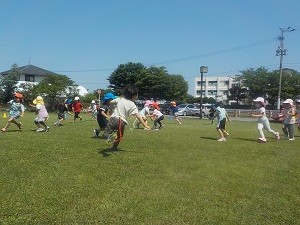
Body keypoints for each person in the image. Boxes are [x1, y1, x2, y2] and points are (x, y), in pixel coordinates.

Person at [102, 84, 151, 150]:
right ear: (134, 96)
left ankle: (110, 136)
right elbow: (138, 116)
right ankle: (114, 147)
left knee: (105, 133)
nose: (137, 96)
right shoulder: (132, 104)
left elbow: (111, 102)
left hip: (114, 119)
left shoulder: (120, 99)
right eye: (137, 95)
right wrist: (145, 125)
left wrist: (110, 107)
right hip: (122, 122)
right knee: (120, 136)